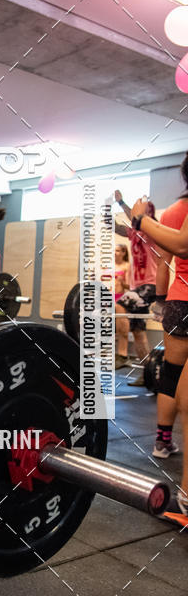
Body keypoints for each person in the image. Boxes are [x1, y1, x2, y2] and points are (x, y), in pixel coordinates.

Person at [132, 174, 188, 513]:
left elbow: (167, 260)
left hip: (179, 302)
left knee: (172, 373)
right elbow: (177, 248)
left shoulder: (172, 212)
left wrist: (162, 300)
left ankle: (163, 441)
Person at [114, 190, 158, 373]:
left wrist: (121, 202)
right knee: (139, 333)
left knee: (120, 306)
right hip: (138, 287)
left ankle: (122, 355)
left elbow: (137, 217)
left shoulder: (154, 229)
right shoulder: (133, 233)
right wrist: (106, 213)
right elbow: (116, 228)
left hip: (150, 285)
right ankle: (148, 373)